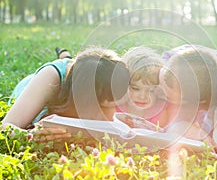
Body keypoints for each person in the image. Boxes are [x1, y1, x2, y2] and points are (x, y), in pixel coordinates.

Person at [2, 46, 130, 142]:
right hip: (34, 85)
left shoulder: (115, 77)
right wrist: (31, 136)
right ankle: (64, 58)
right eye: (103, 107)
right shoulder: (49, 77)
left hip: (79, 75)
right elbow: (5, 127)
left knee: (80, 67)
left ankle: (65, 55)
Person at [116, 47, 170, 127]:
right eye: (135, 88)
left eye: (151, 90)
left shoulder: (160, 113)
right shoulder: (115, 107)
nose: (142, 96)